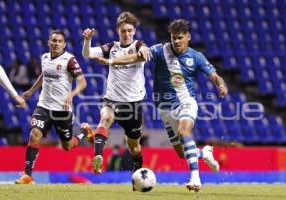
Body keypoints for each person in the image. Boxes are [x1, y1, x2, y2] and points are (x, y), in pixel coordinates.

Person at [94, 19, 228, 192]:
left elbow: (215, 76)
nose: (176, 41)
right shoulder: (160, 50)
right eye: (173, 38)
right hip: (165, 109)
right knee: (182, 153)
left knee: (184, 132)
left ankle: (195, 178)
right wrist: (112, 61)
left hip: (186, 103)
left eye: (180, 37)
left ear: (188, 37)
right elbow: (137, 56)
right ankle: (204, 153)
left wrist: (221, 85)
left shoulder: (196, 57)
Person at [15, 30, 90, 184]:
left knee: (67, 146)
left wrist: (72, 94)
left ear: (64, 44)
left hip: (62, 110)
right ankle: (27, 175)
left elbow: (83, 83)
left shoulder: (70, 60)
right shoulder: (44, 58)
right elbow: (44, 74)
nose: (56, 44)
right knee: (34, 135)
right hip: (44, 106)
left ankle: (83, 132)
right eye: (54, 41)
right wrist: (32, 90)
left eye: (59, 41)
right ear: (49, 42)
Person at [81, 11, 151, 174]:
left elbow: (141, 54)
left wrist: (145, 49)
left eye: (129, 31)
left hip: (132, 104)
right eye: (123, 31)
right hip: (112, 99)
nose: (126, 34)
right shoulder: (111, 47)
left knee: (133, 145)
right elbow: (87, 54)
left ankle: (138, 171)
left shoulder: (138, 45)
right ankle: (98, 156)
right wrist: (87, 40)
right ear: (117, 31)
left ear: (134, 31)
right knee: (105, 118)